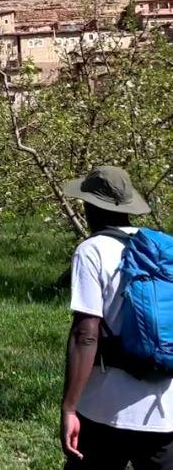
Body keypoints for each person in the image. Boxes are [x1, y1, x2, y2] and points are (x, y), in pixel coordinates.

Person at [61, 165, 173, 468]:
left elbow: (86, 334)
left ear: (90, 206)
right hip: (163, 412)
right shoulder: (162, 248)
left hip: (104, 409)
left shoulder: (92, 250)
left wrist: (69, 407)